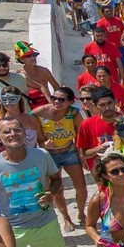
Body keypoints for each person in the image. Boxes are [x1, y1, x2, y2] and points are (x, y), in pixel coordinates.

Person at [0, 117, 66, 247]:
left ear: (24, 133)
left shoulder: (42, 155)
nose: (13, 134)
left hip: (45, 223)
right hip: (12, 229)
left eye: (17, 129)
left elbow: (56, 179)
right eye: (7, 131)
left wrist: (51, 193)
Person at [33, 87, 88, 230]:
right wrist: (44, 144)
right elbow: (39, 137)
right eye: (54, 98)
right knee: (58, 190)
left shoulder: (74, 113)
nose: (56, 101)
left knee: (81, 187)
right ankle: (66, 218)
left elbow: (81, 135)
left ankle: (81, 213)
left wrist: (82, 155)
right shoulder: (40, 112)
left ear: (70, 101)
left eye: (61, 99)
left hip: (69, 151)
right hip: (51, 155)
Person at [76, 86, 120, 171]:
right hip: (101, 170)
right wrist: (97, 149)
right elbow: (84, 153)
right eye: (102, 105)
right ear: (95, 106)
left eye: (109, 103)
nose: (107, 108)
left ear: (115, 101)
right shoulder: (86, 124)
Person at [15, 41, 60, 109]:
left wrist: (55, 102)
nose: (33, 58)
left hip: (45, 104)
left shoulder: (44, 71)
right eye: (29, 56)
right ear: (22, 59)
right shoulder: (20, 74)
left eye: (34, 55)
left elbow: (56, 86)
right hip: (28, 107)